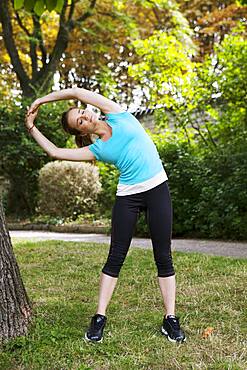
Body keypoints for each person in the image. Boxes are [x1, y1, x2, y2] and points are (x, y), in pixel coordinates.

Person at [26, 87, 186, 343]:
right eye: (80, 121)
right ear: (82, 132)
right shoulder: (97, 150)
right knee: (115, 257)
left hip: (157, 188)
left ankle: (170, 319)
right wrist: (32, 127)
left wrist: (41, 99)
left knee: (163, 255)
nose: (85, 116)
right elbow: (55, 152)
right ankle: (99, 317)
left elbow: (76, 91)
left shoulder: (116, 113)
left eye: (82, 112)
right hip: (128, 198)